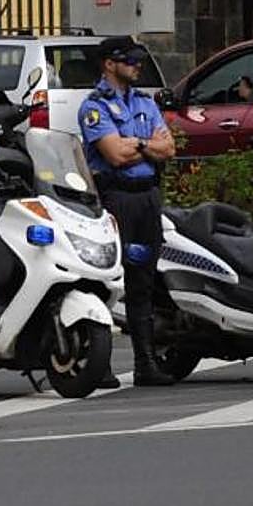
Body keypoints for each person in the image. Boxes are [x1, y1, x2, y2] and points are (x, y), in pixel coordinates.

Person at [78, 35, 177, 387]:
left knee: (143, 281)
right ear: (109, 64)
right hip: (115, 199)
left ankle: (145, 363)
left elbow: (169, 148)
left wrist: (136, 143)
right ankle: (100, 364)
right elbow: (115, 156)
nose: (137, 66)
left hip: (147, 196)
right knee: (108, 280)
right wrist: (148, 145)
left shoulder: (144, 101)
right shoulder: (94, 107)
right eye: (130, 60)